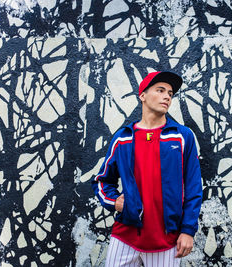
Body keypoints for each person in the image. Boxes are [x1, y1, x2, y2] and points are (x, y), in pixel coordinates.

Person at [92, 71, 203, 267]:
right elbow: (102, 180)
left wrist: (187, 230)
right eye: (160, 90)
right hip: (125, 235)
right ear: (142, 95)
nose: (167, 96)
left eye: (170, 93)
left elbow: (194, 187)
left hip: (166, 240)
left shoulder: (182, 136)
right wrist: (114, 202)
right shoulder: (123, 138)